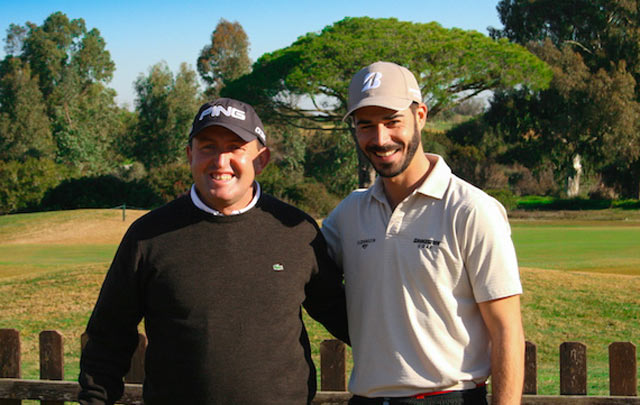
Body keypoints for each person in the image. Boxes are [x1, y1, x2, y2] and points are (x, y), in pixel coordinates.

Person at [78, 97, 349, 405]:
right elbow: (108, 339)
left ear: (261, 159)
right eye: (207, 146)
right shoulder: (148, 236)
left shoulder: (296, 231)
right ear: (190, 155)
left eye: (235, 147)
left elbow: (342, 315)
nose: (220, 161)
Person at [321, 61, 524, 405]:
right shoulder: (348, 213)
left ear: (421, 116)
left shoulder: (472, 209)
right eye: (366, 125)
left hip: (448, 398)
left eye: (392, 121)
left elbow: (507, 331)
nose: (381, 139)